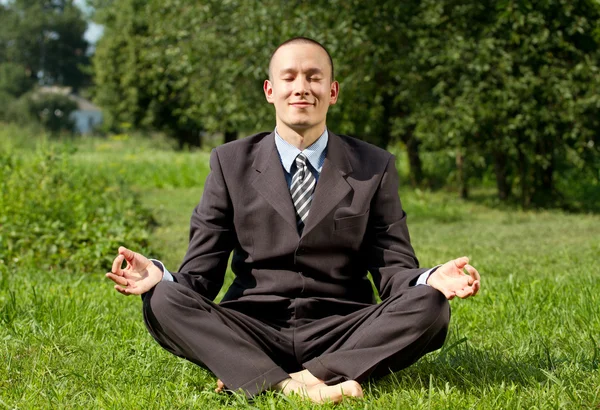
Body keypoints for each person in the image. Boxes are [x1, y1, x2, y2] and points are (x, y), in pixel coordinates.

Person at [106, 37, 480, 404]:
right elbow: (200, 276)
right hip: (252, 327)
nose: (301, 88)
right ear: (270, 90)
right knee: (163, 300)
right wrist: (159, 276)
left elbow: (394, 272)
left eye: (314, 77)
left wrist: (429, 279)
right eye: (289, 78)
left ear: (332, 91)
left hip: (343, 327)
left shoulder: (373, 165)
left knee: (431, 305)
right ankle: (297, 388)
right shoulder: (229, 162)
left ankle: (280, 376)